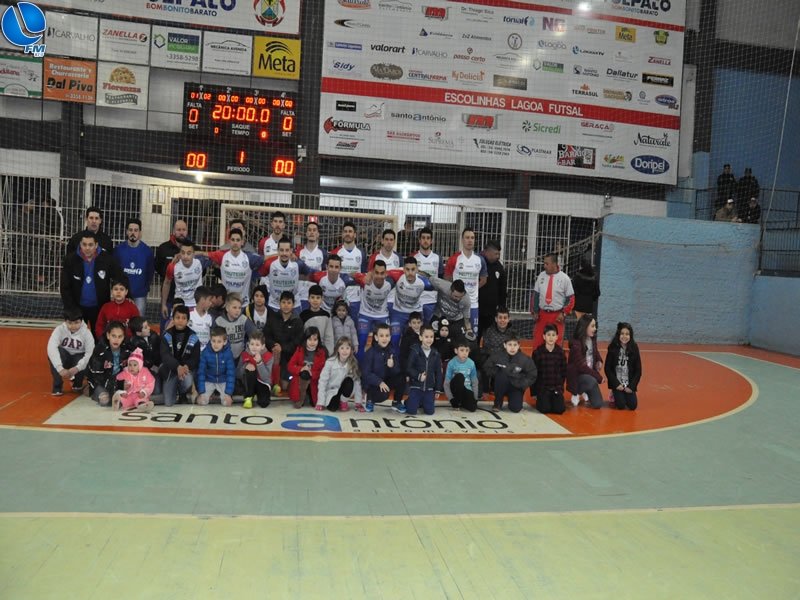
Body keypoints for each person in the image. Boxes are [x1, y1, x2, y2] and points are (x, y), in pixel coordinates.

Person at [60, 231, 126, 335]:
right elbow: (64, 286)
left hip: (99, 308)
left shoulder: (107, 259)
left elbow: (120, 277)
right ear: (80, 245)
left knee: (99, 337)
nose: (87, 248)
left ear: (96, 245)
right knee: (78, 339)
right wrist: (71, 308)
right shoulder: (70, 260)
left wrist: (128, 295)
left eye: (90, 245)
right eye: (84, 244)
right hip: (78, 308)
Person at [205, 228, 266, 307]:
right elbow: (205, 254)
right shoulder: (223, 256)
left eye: (238, 240)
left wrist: (280, 255)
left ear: (242, 242)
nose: (235, 243)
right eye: (233, 240)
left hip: (243, 304)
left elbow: (266, 259)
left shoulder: (248, 257)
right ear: (229, 241)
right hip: (227, 303)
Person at [445, 227, 487, 335]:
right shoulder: (454, 259)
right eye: (467, 237)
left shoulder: (480, 259)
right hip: (457, 304)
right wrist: (456, 293)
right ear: (462, 240)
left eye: (472, 238)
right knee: (457, 333)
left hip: (473, 304)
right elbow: (447, 279)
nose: (470, 240)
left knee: (473, 334)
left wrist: (472, 290)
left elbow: (483, 280)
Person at [388, 256, 433, 354]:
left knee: (419, 341)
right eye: (407, 269)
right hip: (398, 312)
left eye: (413, 269)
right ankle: (395, 365)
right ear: (403, 269)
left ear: (417, 269)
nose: (410, 272)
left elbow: (438, 285)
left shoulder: (423, 282)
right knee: (394, 339)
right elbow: (380, 273)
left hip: (415, 313)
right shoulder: (397, 275)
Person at [530, 253, 575, 351]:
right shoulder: (541, 276)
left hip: (557, 316)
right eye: (544, 263)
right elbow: (535, 295)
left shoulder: (565, 279)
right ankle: (535, 365)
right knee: (538, 343)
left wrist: (563, 313)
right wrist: (534, 311)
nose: (544, 266)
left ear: (554, 264)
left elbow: (571, 299)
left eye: (547, 264)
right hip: (542, 315)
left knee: (556, 345)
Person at [47, 308, 95, 396]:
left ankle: (78, 382)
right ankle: (57, 386)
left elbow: (89, 353)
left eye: (76, 323)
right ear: (65, 321)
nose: (73, 326)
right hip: (65, 357)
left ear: (81, 321)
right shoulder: (59, 330)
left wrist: (78, 368)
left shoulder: (87, 333)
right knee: (57, 352)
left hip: (78, 360)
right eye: (70, 323)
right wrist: (59, 368)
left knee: (86, 358)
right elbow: (51, 348)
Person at [483, 334, 537, 413]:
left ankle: (513, 398)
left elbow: (532, 374)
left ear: (519, 345)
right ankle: (498, 402)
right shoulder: (497, 356)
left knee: (516, 409)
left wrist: (521, 384)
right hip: (501, 386)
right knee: (501, 373)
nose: (512, 347)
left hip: (516, 386)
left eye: (515, 345)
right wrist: (497, 373)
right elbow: (487, 367)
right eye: (510, 344)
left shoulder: (525, 359)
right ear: (505, 345)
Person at [112, 218, 154, 316]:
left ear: (140, 233)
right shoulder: (118, 250)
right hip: (122, 294)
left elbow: (150, 272)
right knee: (120, 320)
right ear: (127, 231)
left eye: (136, 230)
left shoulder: (147, 252)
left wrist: (145, 288)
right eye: (130, 230)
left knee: (138, 322)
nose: (133, 233)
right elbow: (114, 271)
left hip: (140, 295)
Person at [159, 305, 200, 406]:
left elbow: (195, 358)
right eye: (177, 318)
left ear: (188, 320)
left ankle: (182, 393)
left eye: (183, 318)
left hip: (186, 371)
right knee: (168, 403)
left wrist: (186, 366)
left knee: (188, 381)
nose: (180, 321)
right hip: (171, 371)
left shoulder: (193, 336)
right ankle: (174, 389)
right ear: (173, 319)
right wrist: (177, 367)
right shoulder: (166, 335)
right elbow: (165, 356)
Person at [353, 260, 393, 360]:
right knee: (361, 340)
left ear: (386, 273)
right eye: (376, 272)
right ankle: (358, 370)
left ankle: (382, 366)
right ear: (372, 272)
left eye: (382, 273)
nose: (379, 276)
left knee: (384, 341)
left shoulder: (390, 282)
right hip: (365, 314)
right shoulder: (365, 281)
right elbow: (352, 274)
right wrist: (364, 276)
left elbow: (402, 272)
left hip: (382, 315)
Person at [265, 291, 305, 391]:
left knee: (285, 387)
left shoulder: (298, 321)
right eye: (283, 302)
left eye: (289, 303)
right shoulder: (272, 318)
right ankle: (271, 382)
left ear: (293, 304)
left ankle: (284, 381)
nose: (286, 305)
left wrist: (282, 348)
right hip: (273, 353)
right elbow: (266, 336)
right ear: (279, 303)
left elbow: (297, 342)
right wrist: (274, 345)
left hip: (289, 357)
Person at [258, 237, 310, 313]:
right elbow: (259, 274)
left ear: (291, 251)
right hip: (274, 305)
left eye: (287, 250)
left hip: (294, 305)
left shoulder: (298, 264)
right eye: (281, 250)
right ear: (278, 251)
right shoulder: (269, 264)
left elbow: (311, 274)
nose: (284, 253)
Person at [160, 239, 210, 319]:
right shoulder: (173, 266)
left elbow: (215, 256)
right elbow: (166, 283)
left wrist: (202, 253)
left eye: (189, 253)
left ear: (194, 254)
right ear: (179, 253)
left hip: (196, 304)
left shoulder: (200, 261)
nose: (185, 256)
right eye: (182, 253)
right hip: (179, 304)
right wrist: (163, 304)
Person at [360, 323, 405, 413]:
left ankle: (397, 402)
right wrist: (379, 382)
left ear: (390, 337)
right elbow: (366, 373)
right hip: (373, 384)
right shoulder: (370, 352)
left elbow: (397, 371)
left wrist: (392, 366)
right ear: (376, 338)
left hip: (386, 380)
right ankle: (370, 399)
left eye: (387, 335)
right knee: (384, 394)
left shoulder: (392, 351)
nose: (384, 338)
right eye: (381, 336)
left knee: (401, 377)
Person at [330, 221, 368, 323]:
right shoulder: (336, 252)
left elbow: (364, 275)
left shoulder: (361, 253)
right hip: (339, 295)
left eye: (350, 231)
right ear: (342, 234)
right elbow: (331, 275)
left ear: (354, 235)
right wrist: (347, 277)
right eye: (345, 231)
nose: (347, 233)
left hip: (356, 296)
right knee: (337, 325)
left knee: (354, 326)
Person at [87, 321, 130, 407]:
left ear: (123, 337)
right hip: (101, 382)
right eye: (113, 336)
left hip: (118, 382)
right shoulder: (100, 350)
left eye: (120, 337)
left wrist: (127, 382)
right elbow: (97, 377)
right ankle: (92, 392)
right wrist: (115, 386)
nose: (116, 340)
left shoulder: (127, 350)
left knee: (130, 394)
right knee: (105, 401)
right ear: (108, 335)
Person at [566, 314, 604, 409]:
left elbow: (595, 351)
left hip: (589, 374)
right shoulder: (576, 344)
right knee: (591, 380)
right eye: (592, 326)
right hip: (578, 375)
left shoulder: (592, 338)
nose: (595, 328)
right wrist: (598, 377)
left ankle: (586, 389)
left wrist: (599, 360)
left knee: (598, 404)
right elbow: (582, 367)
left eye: (595, 326)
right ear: (585, 326)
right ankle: (577, 392)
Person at [316, 337, 363, 412]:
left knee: (349, 381)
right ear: (337, 349)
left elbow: (357, 383)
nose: (345, 351)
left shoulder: (353, 363)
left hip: (346, 390)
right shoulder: (330, 362)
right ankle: (336, 401)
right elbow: (322, 381)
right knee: (333, 408)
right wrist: (320, 402)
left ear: (351, 350)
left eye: (347, 348)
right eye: (342, 348)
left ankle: (343, 401)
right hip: (332, 391)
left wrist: (358, 402)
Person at [405, 325, 443, 416]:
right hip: (416, 386)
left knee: (430, 412)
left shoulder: (436, 353)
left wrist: (437, 389)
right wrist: (418, 376)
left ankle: (422, 401)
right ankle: (409, 401)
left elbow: (438, 373)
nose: (429, 339)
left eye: (431, 337)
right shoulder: (415, 350)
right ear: (420, 337)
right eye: (426, 337)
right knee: (411, 411)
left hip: (429, 388)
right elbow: (408, 368)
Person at [604, 322, 642, 411]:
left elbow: (638, 370)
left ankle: (624, 394)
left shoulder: (634, 347)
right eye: (622, 333)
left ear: (630, 335)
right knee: (620, 405)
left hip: (628, 383)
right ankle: (613, 393)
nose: (624, 336)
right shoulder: (612, 347)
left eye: (627, 334)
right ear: (618, 334)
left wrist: (631, 386)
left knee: (632, 406)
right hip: (617, 383)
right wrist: (616, 384)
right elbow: (607, 368)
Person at [288, 326, 327, 408]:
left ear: (318, 340)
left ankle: (308, 395)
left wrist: (312, 373)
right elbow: (290, 366)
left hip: (314, 381)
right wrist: (301, 369)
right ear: (305, 339)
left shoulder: (322, 352)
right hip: (300, 380)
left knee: (314, 403)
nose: (312, 342)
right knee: (304, 374)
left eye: (315, 340)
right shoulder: (299, 349)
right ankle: (300, 398)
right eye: (309, 339)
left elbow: (324, 371)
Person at [532, 324, 567, 414]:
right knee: (545, 409)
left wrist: (560, 389)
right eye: (548, 335)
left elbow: (563, 372)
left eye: (553, 335)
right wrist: (534, 392)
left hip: (556, 388)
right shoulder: (538, 353)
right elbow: (533, 373)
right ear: (544, 336)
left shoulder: (560, 353)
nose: (551, 338)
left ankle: (554, 399)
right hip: (543, 388)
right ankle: (543, 399)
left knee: (559, 410)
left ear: (557, 337)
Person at [196, 326, 236, 406]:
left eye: (219, 341)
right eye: (213, 341)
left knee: (227, 403)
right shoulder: (205, 353)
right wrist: (201, 392)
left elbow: (231, 374)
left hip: (222, 380)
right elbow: (201, 373)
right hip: (209, 380)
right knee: (202, 402)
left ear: (224, 342)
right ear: (210, 340)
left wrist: (228, 393)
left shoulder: (228, 353)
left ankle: (223, 396)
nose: (216, 344)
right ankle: (204, 395)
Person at [413, 227, 444, 325]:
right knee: (417, 330)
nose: (425, 240)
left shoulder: (437, 258)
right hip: (417, 300)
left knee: (430, 331)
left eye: (428, 238)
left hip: (432, 300)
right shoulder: (413, 257)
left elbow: (440, 279)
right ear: (419, 240)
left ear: (431, 241)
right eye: (423, 238)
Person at [155, 219, 189, 305]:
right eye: (178, 230)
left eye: (184, 230)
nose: (181, 232)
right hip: (168, 297)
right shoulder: (163, 248)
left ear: (187, 231)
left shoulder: (194, 249)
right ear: (174, 231)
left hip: (188, 298)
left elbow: (201, 271)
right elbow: (158, 268)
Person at [215, 292, 258, 362]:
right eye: (234, 307)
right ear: (227, 308)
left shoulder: (243, 319)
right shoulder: (219, 321)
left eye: (239, 308)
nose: (237, 310)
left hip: (241, 356)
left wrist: (249, 348)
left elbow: (255, 334)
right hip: (223, 358)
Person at [478, 240, 507, 343]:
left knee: (490, 339)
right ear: (487, 252)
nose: (498, 256)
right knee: (475, 337)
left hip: (492, 312)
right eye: (496, 253)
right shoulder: (477, 262)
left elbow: (502, 289)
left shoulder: (499, 267)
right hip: (477, 309)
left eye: (498, 253)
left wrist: (502, 306)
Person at [295, 220, 328, 311]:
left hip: (315, 297)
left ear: (318, 234)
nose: (312, 232)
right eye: (309, 230)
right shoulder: (298, 252)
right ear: (306, 233)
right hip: (300, 295)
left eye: (314, 230)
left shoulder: (323, 253)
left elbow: (324, 275)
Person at [237, 331, 274, 409]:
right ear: (248, 344)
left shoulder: (269, 356)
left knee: (264, 403)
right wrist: (245, 366)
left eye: (257, 345)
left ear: (263, 346)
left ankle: (261, 394)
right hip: (249, 383)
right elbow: (238, 374)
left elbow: (266, 377)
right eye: (252, 344)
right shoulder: (244, 354)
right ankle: (248, 397)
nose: (254, 347)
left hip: (263, 383)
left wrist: (260, 363)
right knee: (250, 371)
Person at [112, 348, 156, 412]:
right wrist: (122, 390)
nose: (131, 367)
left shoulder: (145, 372)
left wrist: (144, 392)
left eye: (135, 365)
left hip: (139, 394)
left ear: (140, 365)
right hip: (128, 394)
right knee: (124, 399)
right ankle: (118, 403)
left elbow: (151, 383)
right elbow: (117, 381)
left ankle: (143, 405)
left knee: (141, 399)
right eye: (130, 365)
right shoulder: (125, 373)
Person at [127, 316, 162, 394]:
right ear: (138, 333)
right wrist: (151, 366)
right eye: (146, 327)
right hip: (145, 370)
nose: (149, 328)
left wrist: (159, 364)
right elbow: (140, 361)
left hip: (157, 366)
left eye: (148, 325)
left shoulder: (153, 336)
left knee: (158, 390)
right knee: (156, 391)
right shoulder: (134, 343)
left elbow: (160, 350)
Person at [444, 340, 479, 412]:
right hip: (455, 389)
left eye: (467, 350)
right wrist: (451, 399)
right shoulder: (451, 363)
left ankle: (461, 402)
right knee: (460, 376)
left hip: (466, 389)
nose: (465, 353)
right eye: (462, 350)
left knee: (473, 408)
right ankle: (456, 402)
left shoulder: (471, 363)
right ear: (456, 351)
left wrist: (475, 398)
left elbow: (474, 382)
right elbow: (446, 383)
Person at [300, 284, 335, 356]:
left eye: (318, 298)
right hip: (306, 352)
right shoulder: (303, 315)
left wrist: (328, 353)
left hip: (321, 352)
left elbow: (329, 337)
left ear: (322, 299)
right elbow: (301, 336)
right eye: (312, 297)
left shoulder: (326, 315)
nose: (315, 300)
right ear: (308, 299)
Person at [571, 257, 601, 321]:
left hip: (578, 303)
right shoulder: (594, 277)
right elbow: (597, 292)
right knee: (587, 323)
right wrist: (591, 298)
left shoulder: (577, 276)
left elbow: (573, 290)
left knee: (579, 322)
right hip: (588, 304)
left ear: (581, 265)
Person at [189, 287, 214, 351]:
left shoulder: (211, 317)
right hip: (191, 353)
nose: (211, 303)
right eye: (209, 300)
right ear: (202, 300)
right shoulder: (188, 314)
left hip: (206, 354)